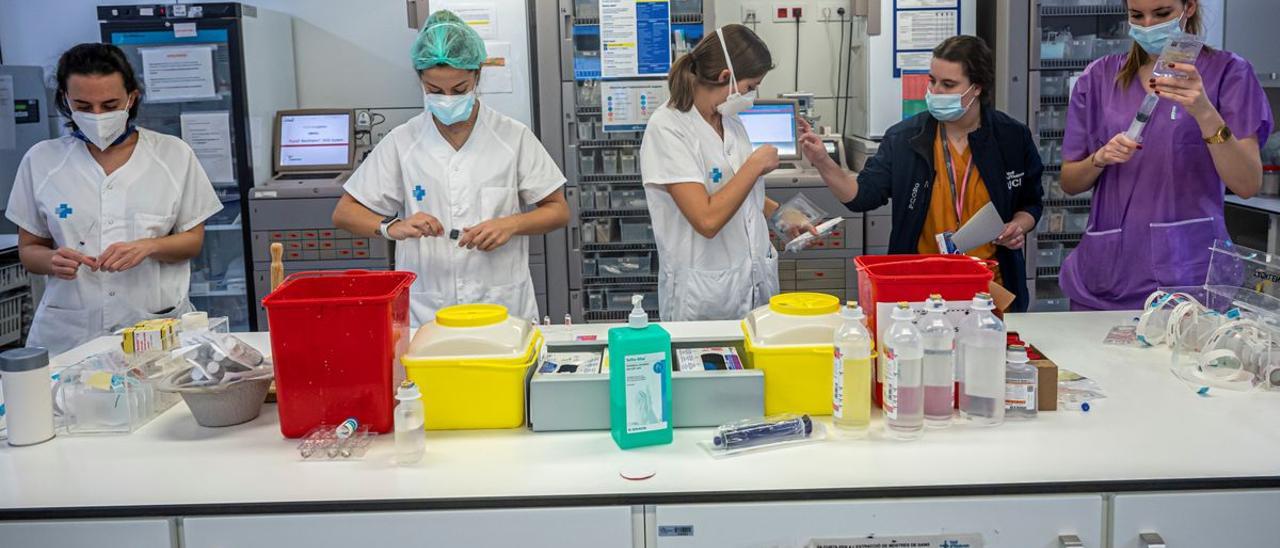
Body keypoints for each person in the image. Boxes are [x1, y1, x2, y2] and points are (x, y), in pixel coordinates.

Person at [333, 10, 569, 325]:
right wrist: (391, 226)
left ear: (477, 78)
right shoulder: (403, 141)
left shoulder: (512, 137)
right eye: (434, 91)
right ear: (420, 81)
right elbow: (345, 213)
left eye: (459, 90)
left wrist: (511, 224)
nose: (447, 99)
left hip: (501, 307)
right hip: (428, 309)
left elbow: (558, 210)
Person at [5, 44, 221, 355]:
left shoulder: (172, 155)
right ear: (65, 100)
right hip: (70, 333)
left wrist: (148, 247)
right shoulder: (42, 161)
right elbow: (29, 250)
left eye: (109, 105)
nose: (97, 116)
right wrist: (52, 260)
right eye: (83, 105)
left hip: (151, 327)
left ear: (131, 98)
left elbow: (192, 242)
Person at [1059, 0, 1272, 310]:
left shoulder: (1228, 73)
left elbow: (1247, 184)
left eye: (1161, 14)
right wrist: (1099, 158)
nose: (1148, 25)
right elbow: (1070, 181)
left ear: (1188, 8)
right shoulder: (1100, 78)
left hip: (1189, 276)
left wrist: (1204, 112)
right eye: (1137, 15)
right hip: (1109, 276)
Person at [807, 35, 1043, 311]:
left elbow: (1031, 202)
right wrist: (824, 162)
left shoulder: (1011, 137)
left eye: (948, 84)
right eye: (932, 81)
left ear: (977, 87)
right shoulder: (905, 139)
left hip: (990, 289)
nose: (935, 91)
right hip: (919, 290)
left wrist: (1018, 225)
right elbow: (863, 197)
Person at [640, 24, 808, 321]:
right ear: (725, 77)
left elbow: (735, 190)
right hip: (705, 294)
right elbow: (706, 219)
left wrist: (779, 216)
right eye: (750, 86)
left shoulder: (729, 121)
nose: (752, 95)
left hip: (753, 282)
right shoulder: (668, 128)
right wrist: (755, 164)